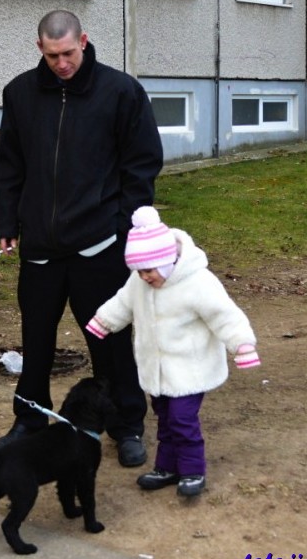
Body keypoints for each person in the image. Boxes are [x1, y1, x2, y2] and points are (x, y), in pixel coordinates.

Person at [0, 10, 164, 467]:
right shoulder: (20, 94)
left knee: (108, 340)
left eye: (68, 53)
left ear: (84, 41)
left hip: (99, 245)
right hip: (41, 250)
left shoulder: (121, 91)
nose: (61, 63)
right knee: (37, 340)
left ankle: (126, 425)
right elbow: (10, 163)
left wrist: (125, 229)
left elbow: (141, 165)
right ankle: (30, 418)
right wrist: (7, 220)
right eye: (52, 56)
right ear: (39, 49)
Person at [85, 206, 261, 497]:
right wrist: (104, 321)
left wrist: (241, 344)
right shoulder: (139, 282)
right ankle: (166, 467)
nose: (144, 277)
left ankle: (193, 470)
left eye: (149, 271)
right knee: (165, 418)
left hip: (190, 369)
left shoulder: (198, 283)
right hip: (156, 369)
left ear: (167, 262)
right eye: (139, 272)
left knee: (182, 419)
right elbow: (122, 302)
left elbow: (224, 314)